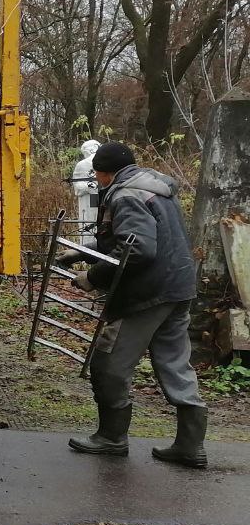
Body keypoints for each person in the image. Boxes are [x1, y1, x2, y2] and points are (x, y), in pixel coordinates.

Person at [56, 142, 208, 468]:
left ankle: (111, 438)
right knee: (175, 364)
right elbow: (128, 237)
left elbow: (137, 250)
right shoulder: (150, 186)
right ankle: (189, 446)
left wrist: (92, 277)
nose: (96, 178)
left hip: (146, 294)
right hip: (177, 288)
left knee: (108, 363)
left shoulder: (124, 196)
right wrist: (82, 251)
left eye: (97, 172)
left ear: (104, 172)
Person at [71, 139, 100, 241]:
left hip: (101, 196)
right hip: (89, 197)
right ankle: (89, 247)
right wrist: (89, 186)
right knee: (90, 219)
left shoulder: (83, 163)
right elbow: (77, 185)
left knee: (98, 219)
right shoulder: (82, 164)